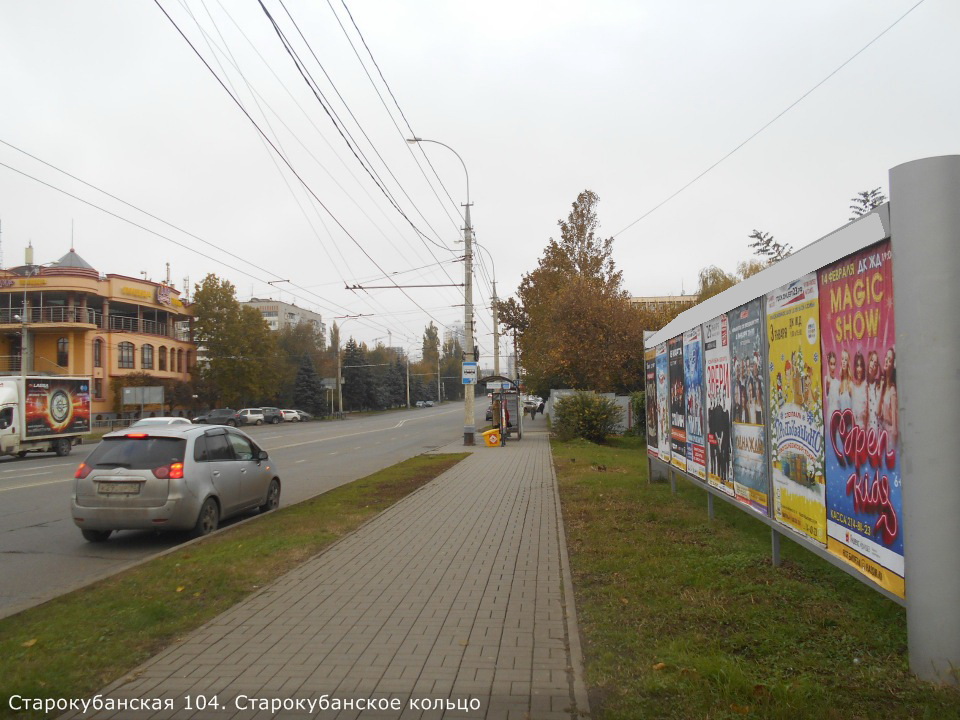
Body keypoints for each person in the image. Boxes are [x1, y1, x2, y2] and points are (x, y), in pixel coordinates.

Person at [879, 347, 898, 446]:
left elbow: (895, 426)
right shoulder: (883, 386)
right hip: (883, 434)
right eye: (886, 357)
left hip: (890, 436)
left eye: (889, 360)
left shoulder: (892, 390)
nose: (886, 360)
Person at [850, 352, 868, 429]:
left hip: (864, 429)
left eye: (861, 366)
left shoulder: (865, 385)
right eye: (857, 366)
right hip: (854, 429)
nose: (859, 369)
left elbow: (868, 412)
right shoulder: (852, 386)